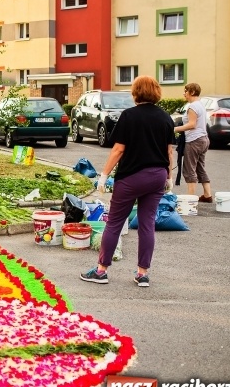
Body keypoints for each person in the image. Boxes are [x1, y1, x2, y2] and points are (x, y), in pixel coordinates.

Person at [80, 76, 174, 288]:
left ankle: (101, 271)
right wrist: (168, 177)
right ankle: (142, 274)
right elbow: (169, 152)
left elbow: (118, 149)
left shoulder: (129, 116)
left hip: (132, 177)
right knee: (147, 224)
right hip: (157, 176)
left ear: (136, 93)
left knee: (114, 223)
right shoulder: (166, 118)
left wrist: (103, 175)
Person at [174, 83, 212, 202]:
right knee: (200, 168)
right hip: (204, 139)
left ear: (191, 92)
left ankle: (190, 200)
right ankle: (207, 195)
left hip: (194, 141)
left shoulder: (192, 107)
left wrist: (174, 129)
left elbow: (192, 125)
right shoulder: (200, 105)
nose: (184, 93)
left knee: (189, 169)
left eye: (185, 91)